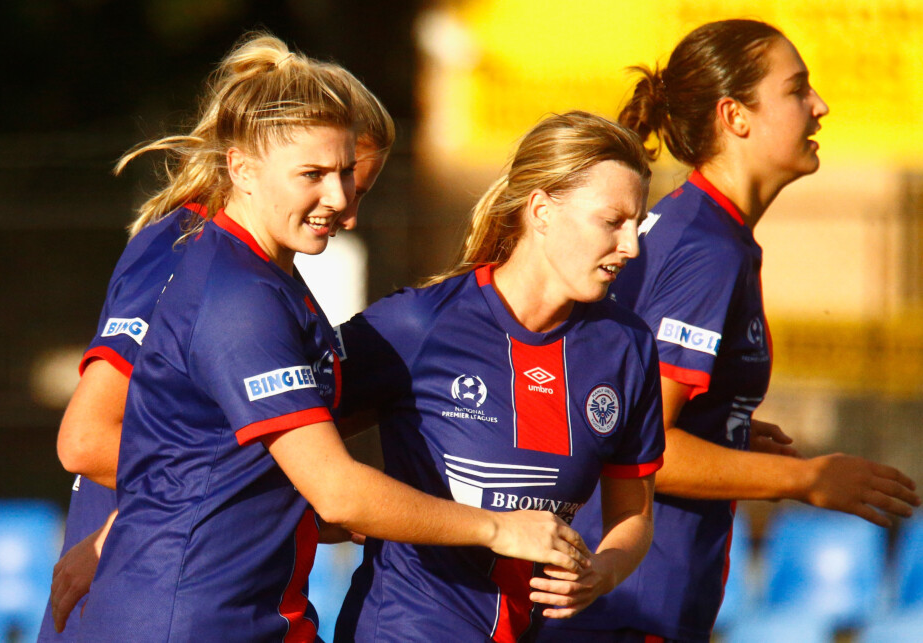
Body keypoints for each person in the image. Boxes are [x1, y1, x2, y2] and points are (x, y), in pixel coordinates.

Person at [68, 32, 588, 642]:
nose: (340, 201)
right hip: (192, 618)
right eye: (313, 174)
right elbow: (336, 489)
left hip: (249, 611)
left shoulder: (271, 279)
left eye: (348, 177)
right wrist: (498, 526)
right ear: (241, 167)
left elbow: (207, 462)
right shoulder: (234, 294)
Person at [537, 19, 920, 643]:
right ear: (735, 115)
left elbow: (623, 407)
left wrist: (726, 430)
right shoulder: (706, 246)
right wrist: (809, 479)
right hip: (628, 607)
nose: (818, 106)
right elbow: (639, 448)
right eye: (797, 90)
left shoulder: (699, 228)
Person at [38, 36, 397, 640]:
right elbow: (87, 439)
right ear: (255, 164)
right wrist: (316, 488)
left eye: (358, 187)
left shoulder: (271, 271)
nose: (347, 208)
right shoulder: (186, 252)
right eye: (333, 177)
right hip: (147, 589)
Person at [332, 110, 665, 643]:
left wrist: (605, 572)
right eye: (612, 221)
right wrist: (325, 511)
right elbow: (286, 431)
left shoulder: (626, 346)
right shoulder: (417, 324)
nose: (631, 246)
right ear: (541, 211)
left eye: (636, 224)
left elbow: (634, 516)